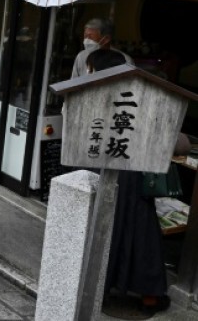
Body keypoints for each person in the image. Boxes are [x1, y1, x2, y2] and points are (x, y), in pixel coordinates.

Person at [88, 49, 171, 315]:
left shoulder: (96, 96)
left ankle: (99, 288)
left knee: (105, 231)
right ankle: (147, 294)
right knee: (139, 233)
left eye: (91, 68)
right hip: (134, 177)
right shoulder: (137, 96)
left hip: (109, 173)